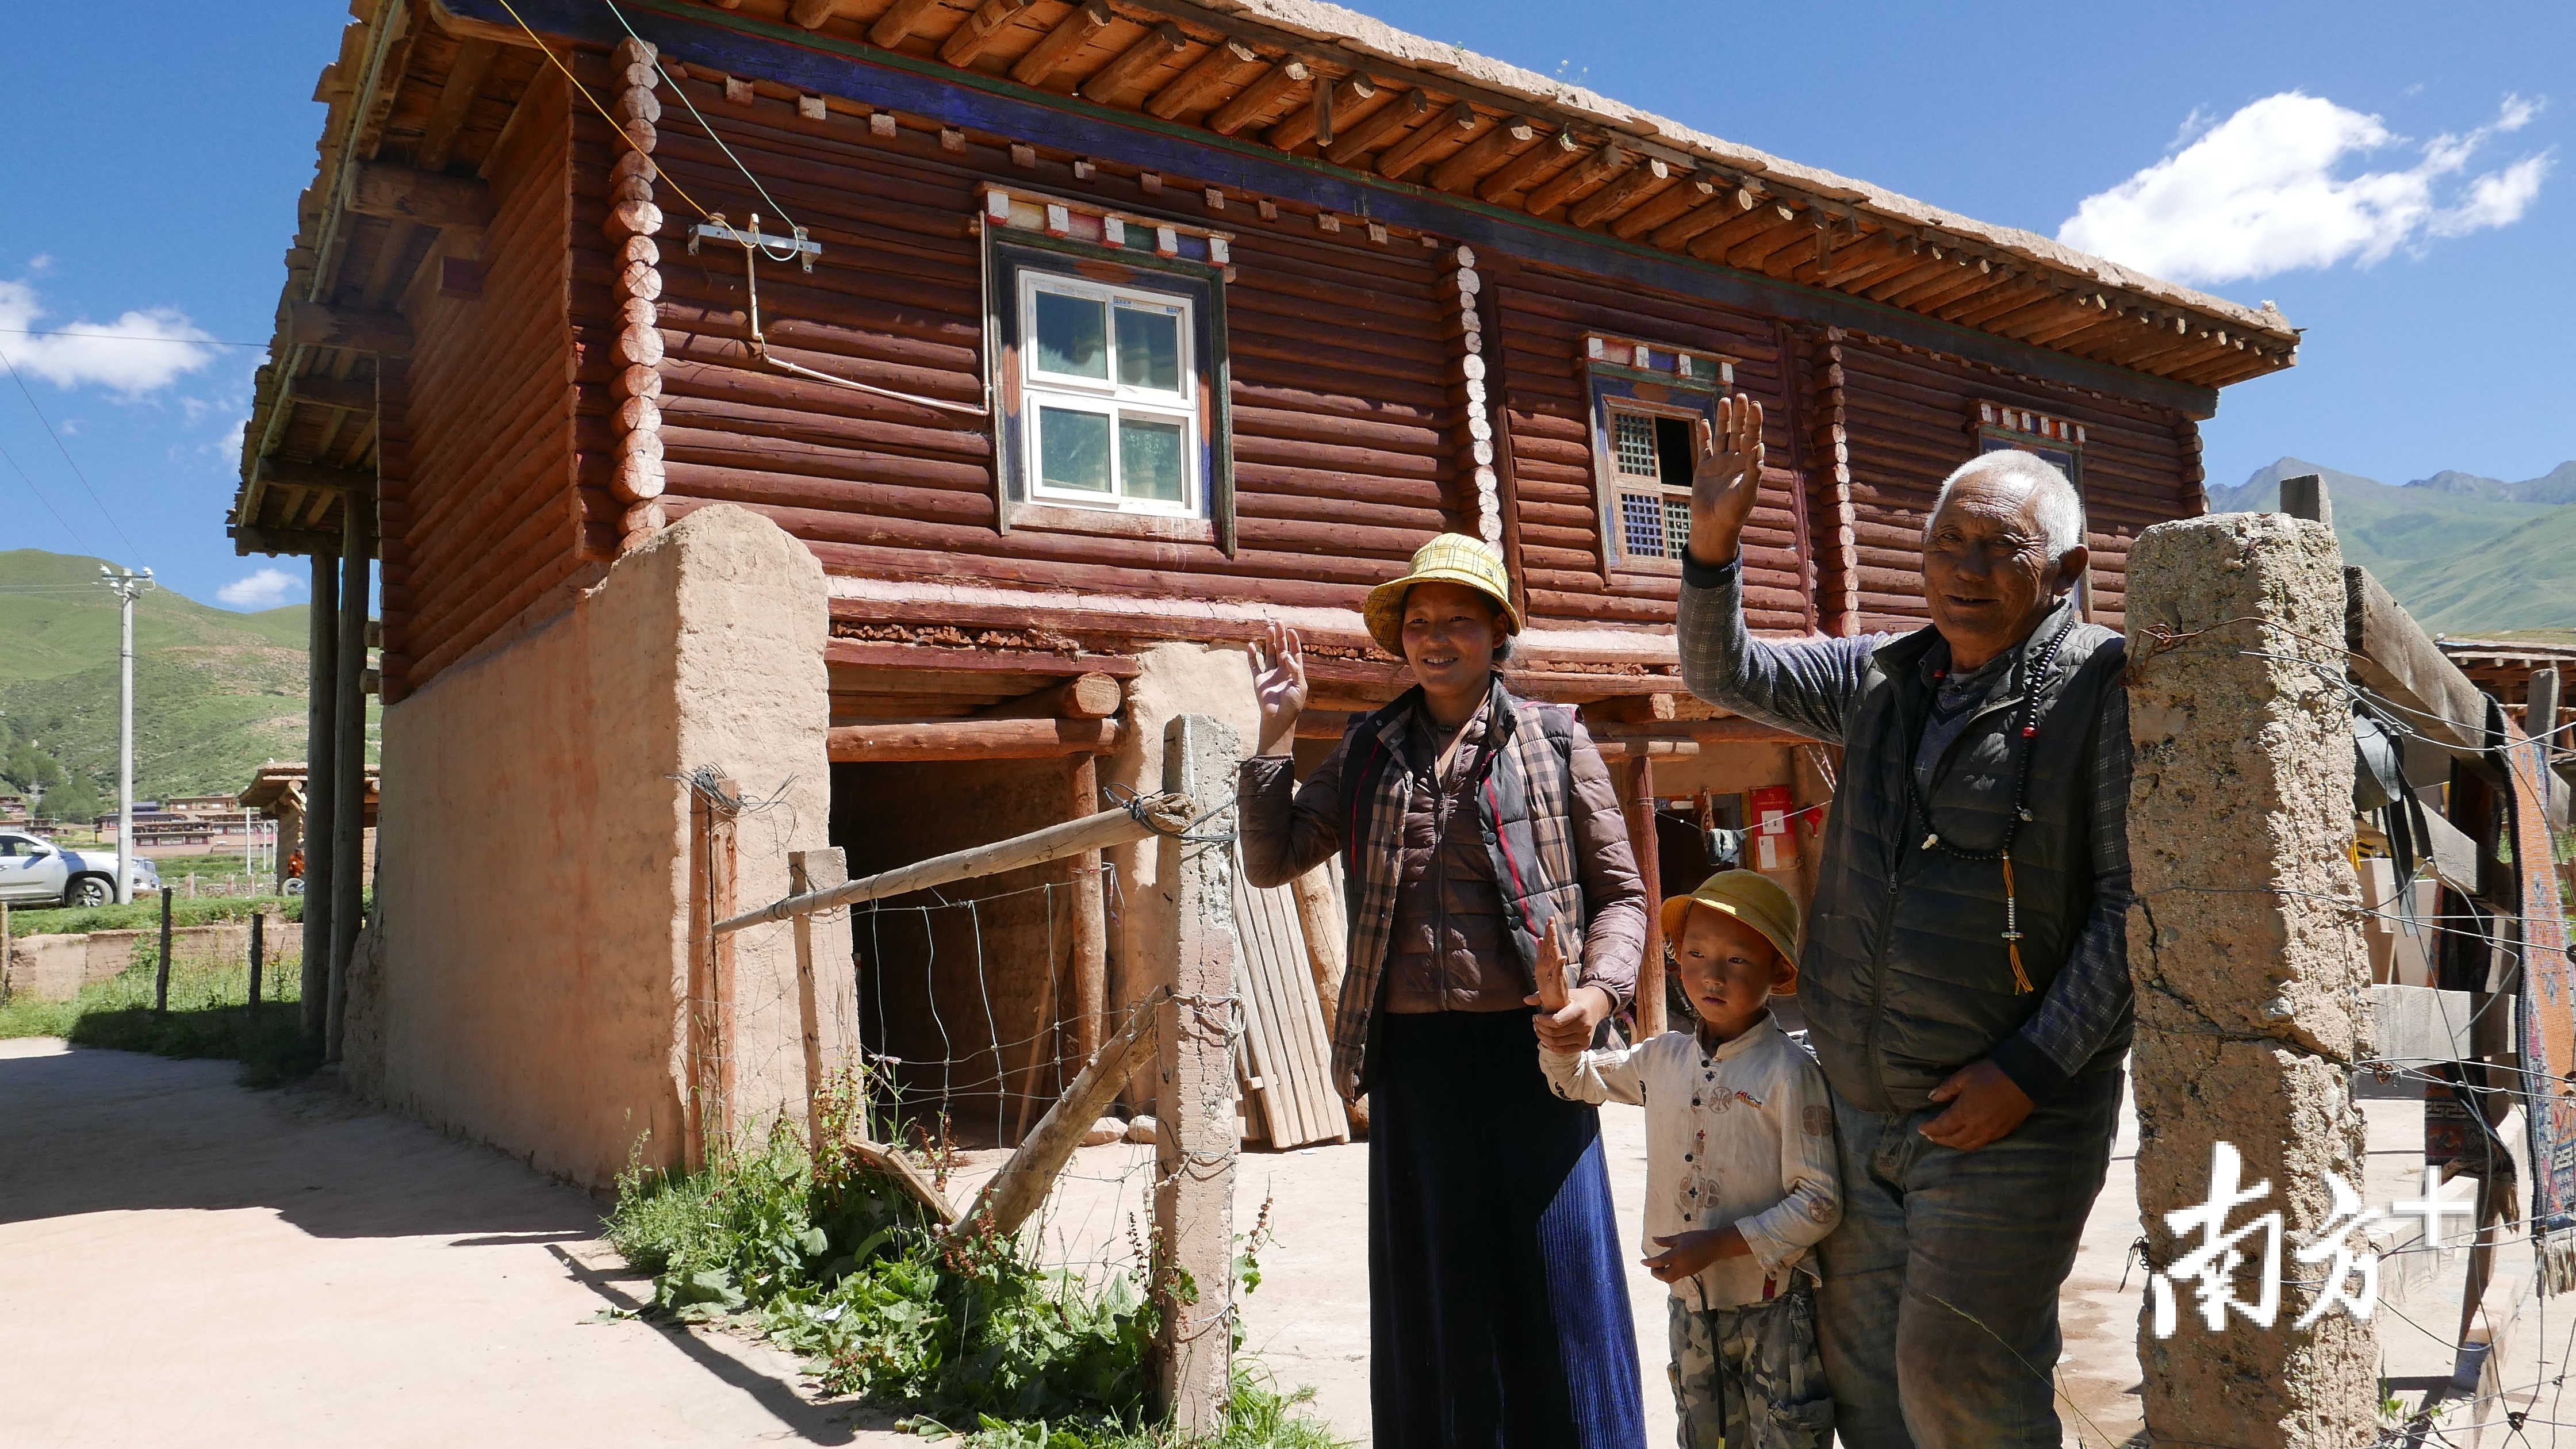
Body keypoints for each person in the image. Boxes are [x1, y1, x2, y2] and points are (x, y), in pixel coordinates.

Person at [1675, 397, 2134, 1448]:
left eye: (1999, 548)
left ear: (2061, 574)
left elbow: (2128, 907)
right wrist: (1712, 545)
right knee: (1867, 1386)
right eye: (1947, 542)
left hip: (2011, 1122)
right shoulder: (1880, 678)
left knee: (1960, 1381)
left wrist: (2029, 1070)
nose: (1965, 567)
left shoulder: (2095, 690)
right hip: (1860, 1109)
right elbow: (1722, 671)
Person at [1238, 532, 1650, 1449]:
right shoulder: (1368, 750)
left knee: (1559, 1277)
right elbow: (1272, 861)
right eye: (1417, 622)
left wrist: (1597, 994)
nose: (1433, 638)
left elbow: (1622, 894)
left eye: (1457, 620)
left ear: (1499, 632)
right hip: (1415, 1062)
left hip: (1536, 1051)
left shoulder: (1554, 739)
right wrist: (1276, 734)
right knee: (1441, 1286)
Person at [1541, 869, 1839, 1449]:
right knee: (1703, 1436)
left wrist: (1720, 1243)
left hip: (1774, 1308)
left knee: (1785, 1436)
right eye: (1696, 953)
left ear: (1778, 973)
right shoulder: (1661, 1059)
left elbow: (1820, 1202)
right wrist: (1558, 1021)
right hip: (1690, 1306)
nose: (1711, 973)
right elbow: (1579, 1083)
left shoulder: (1788, 1073)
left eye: (1737, 960)